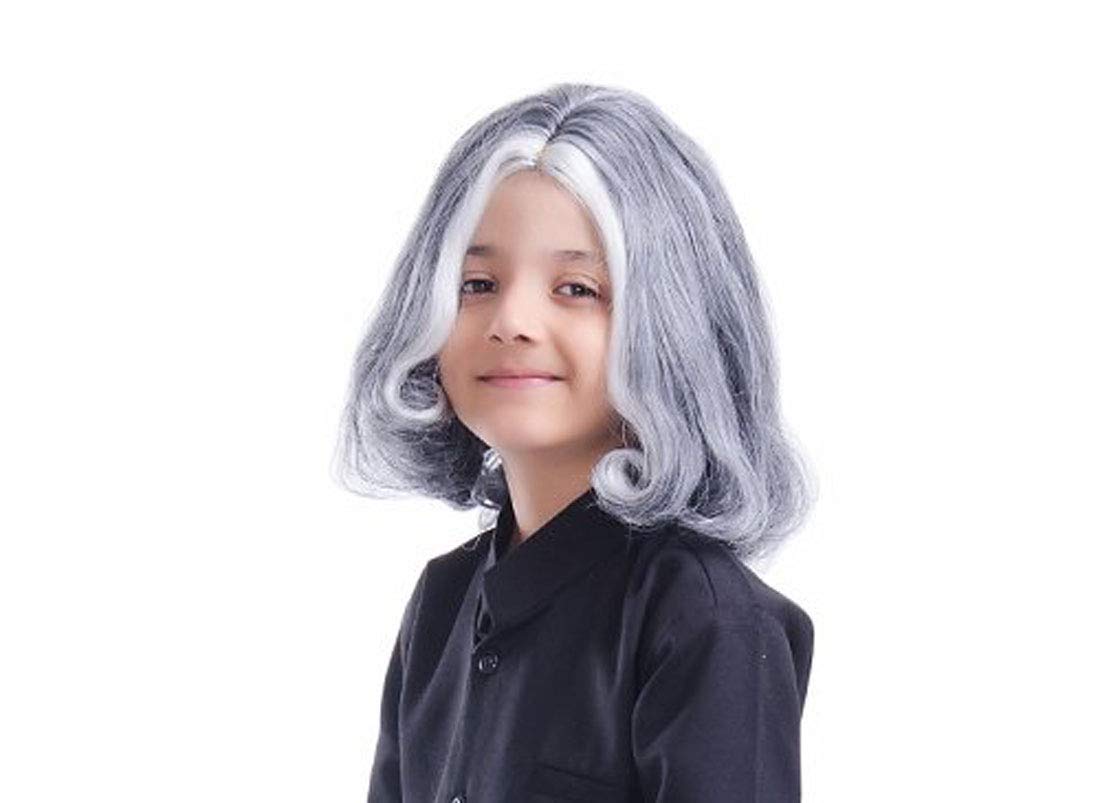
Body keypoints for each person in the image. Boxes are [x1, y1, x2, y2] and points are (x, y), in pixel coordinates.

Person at [334, 82, 817, 803]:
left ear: (671, 325)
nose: (512, 321)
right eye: (477, 283)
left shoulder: (704, 620)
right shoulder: (442, 603)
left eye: (577, 289)